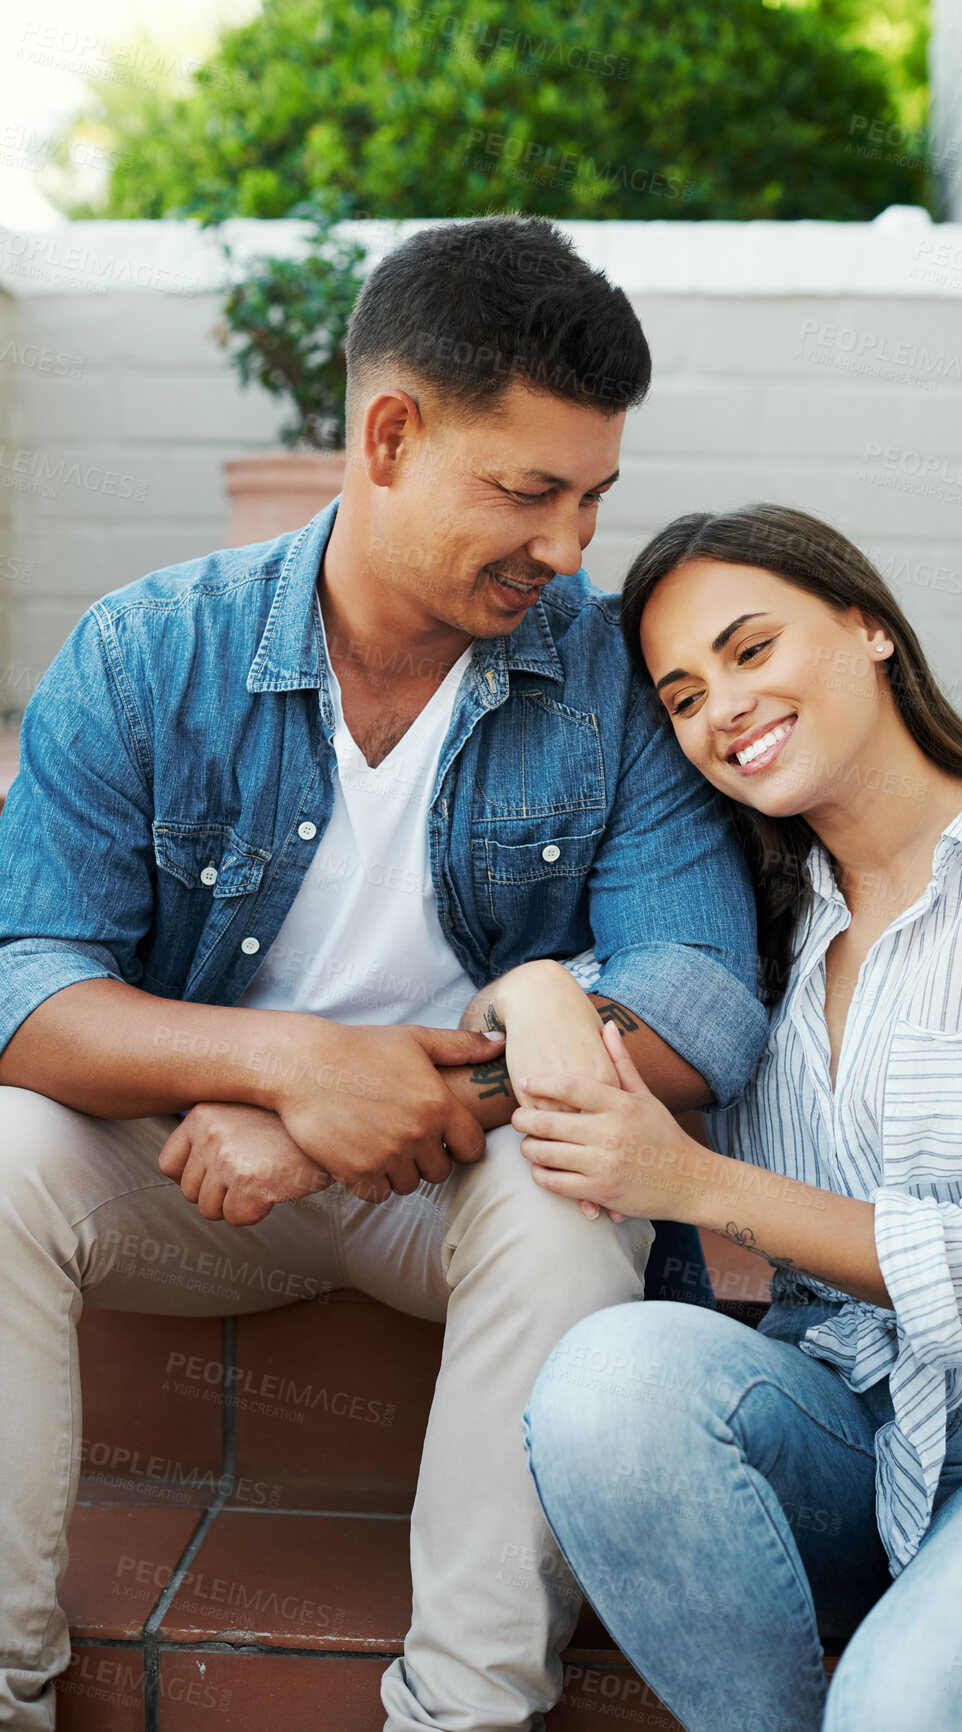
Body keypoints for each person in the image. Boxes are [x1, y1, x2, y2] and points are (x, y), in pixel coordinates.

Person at [0, 217, 771, 1732]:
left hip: (453, 1189)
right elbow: (27, 991)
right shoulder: (147, 653)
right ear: (391, 435)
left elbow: (691, 1003)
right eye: (528, 492)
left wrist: (355, 1113)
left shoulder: (610, 672)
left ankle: (463, 1711)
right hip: (197, 1180)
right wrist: (283, 1068)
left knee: (575, 1185)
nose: (568, 547)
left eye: (592, 496)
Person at [513, 505, 962, 1732]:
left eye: (752, 651)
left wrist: (698, 1183)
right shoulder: (757, 920)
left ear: (870, 628)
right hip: (851, 1422)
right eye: (685, 695)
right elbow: (550, 1000)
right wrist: (534, 986)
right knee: (607, 1381)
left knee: (902, 1707)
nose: (724, 710)